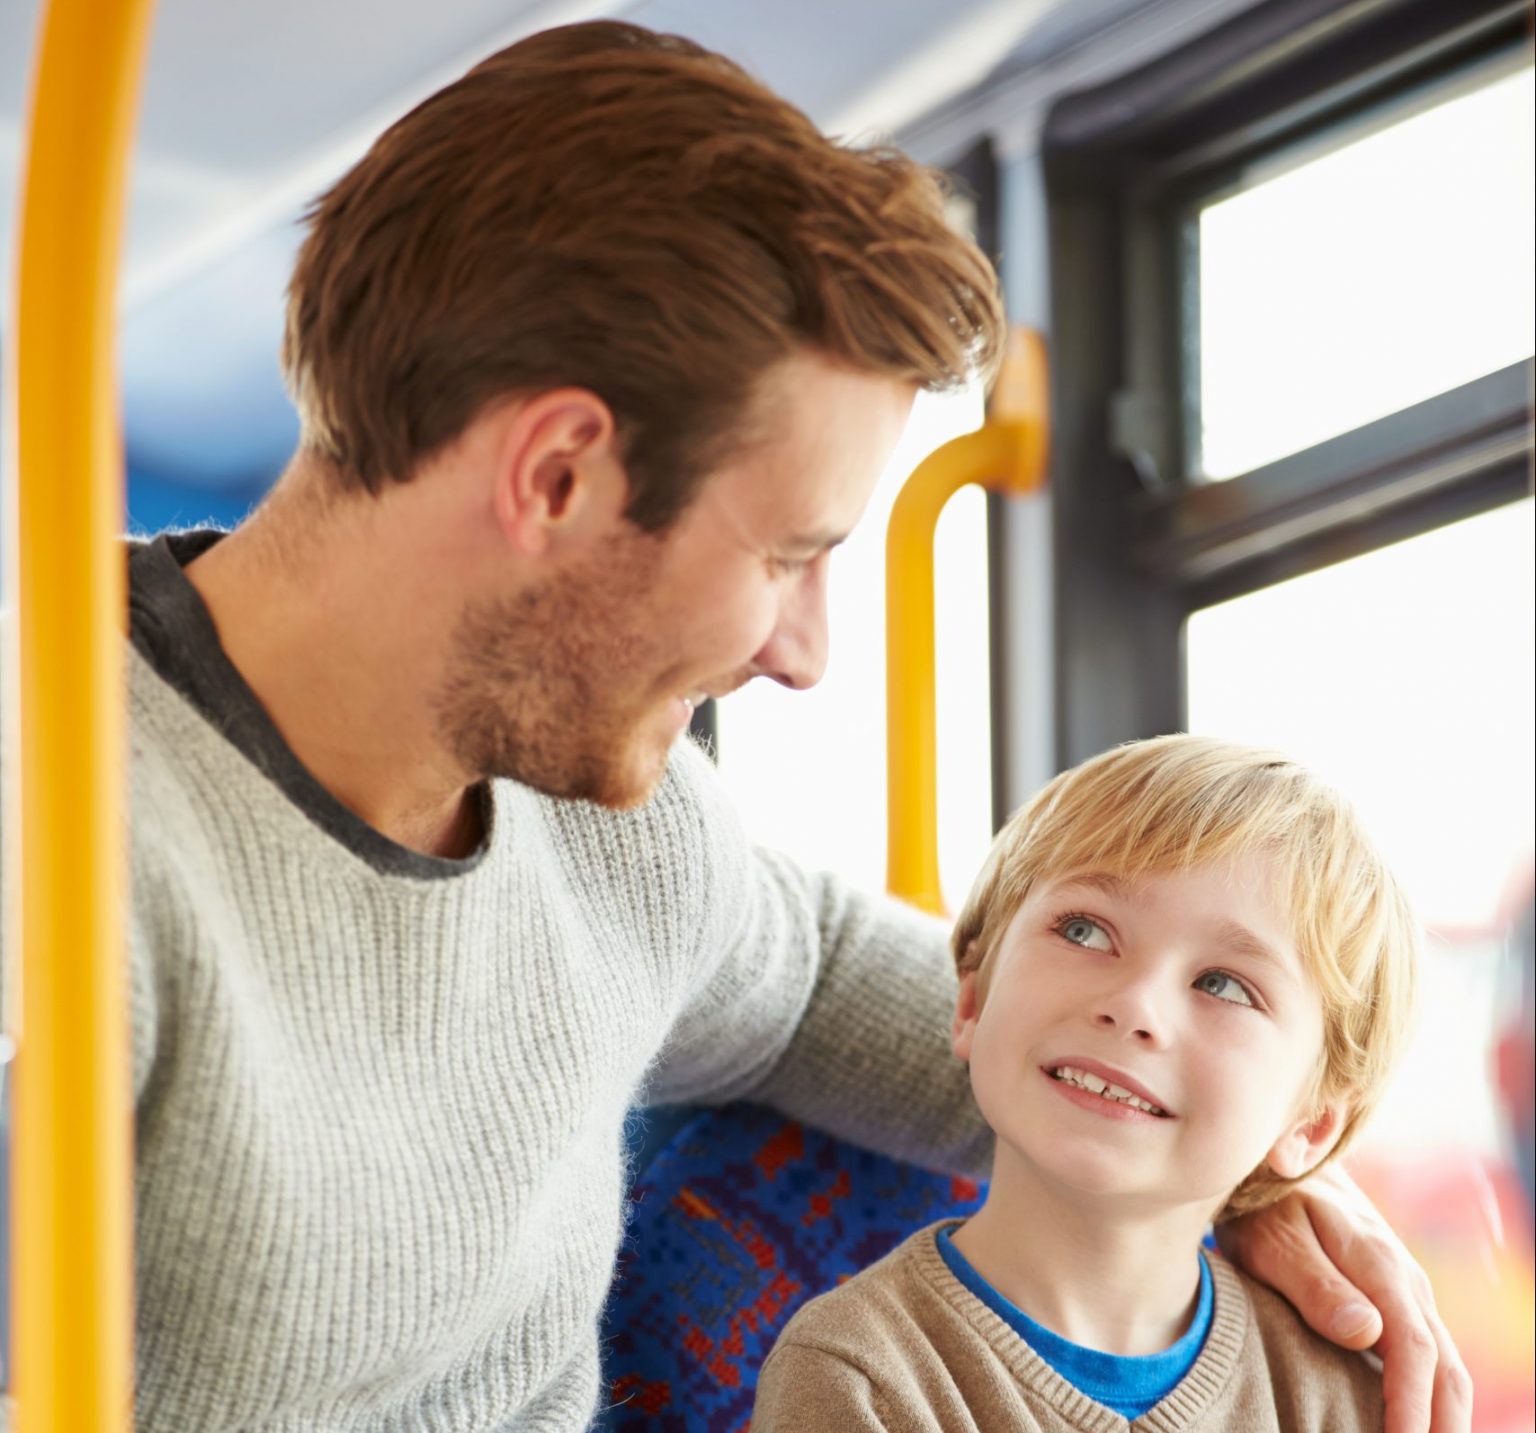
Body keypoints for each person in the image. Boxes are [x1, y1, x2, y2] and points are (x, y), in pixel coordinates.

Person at [0, 19, 1468, 1433]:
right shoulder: (58, 842)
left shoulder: (616, 830)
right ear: (560, 474)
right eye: (786, 557)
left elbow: (831, 975)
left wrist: (1264, 1189)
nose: (807, 655)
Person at [752, 736, 1428, 1431]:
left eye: (1223, 983)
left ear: (1310, 1127)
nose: (1135, 1005)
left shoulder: (1340, 1392)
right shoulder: (859, 1375)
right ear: (971, 1003)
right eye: (1084, 930)